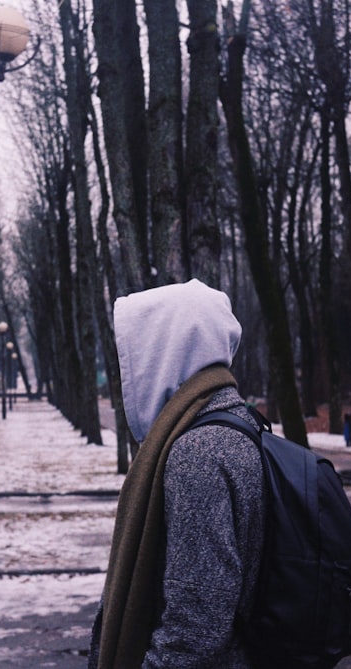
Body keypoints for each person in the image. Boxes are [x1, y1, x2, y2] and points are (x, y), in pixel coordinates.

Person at [89, 279, 265, 669]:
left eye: (136, 356)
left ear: (165, 351)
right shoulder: (237, 423)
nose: (126, 377)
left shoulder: (198, 453)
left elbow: (195, 626)